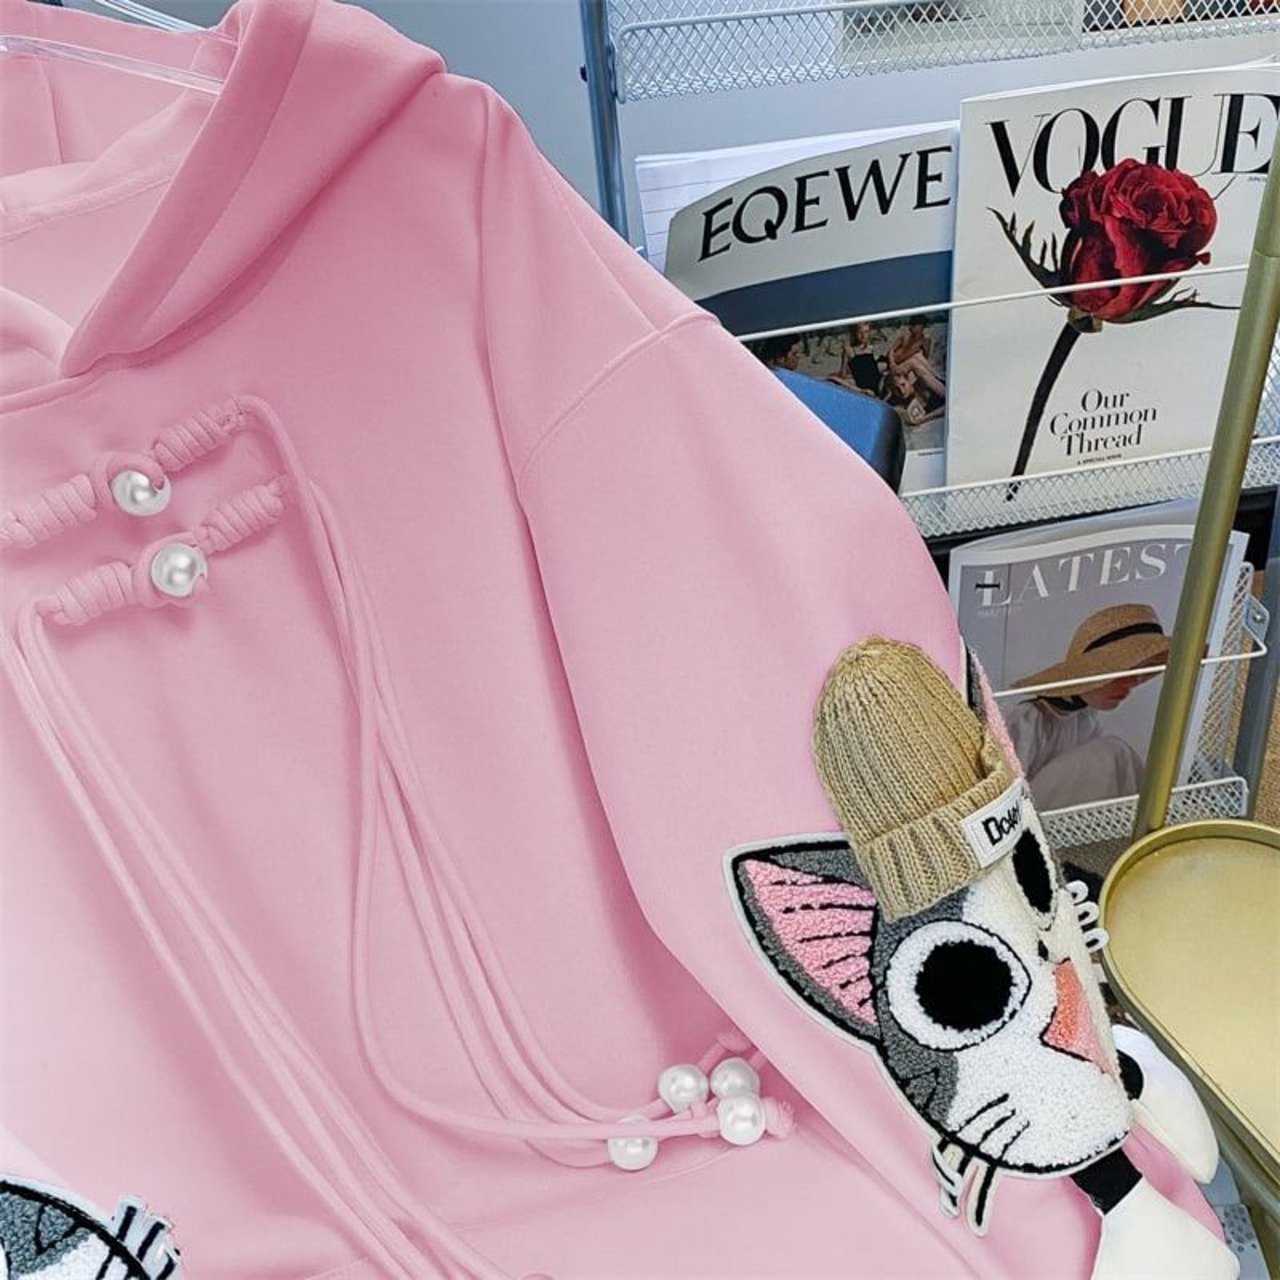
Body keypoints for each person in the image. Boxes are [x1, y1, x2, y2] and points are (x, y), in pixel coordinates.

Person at [1004, 603, 1171, 810]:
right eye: (1121, 672)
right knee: (1113, 753)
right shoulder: (1027, 719)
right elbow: (1004, 796)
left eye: (1139, 673)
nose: (1132, 684)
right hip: (1024, 816)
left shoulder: (1086, 718)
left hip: (1073, 818)